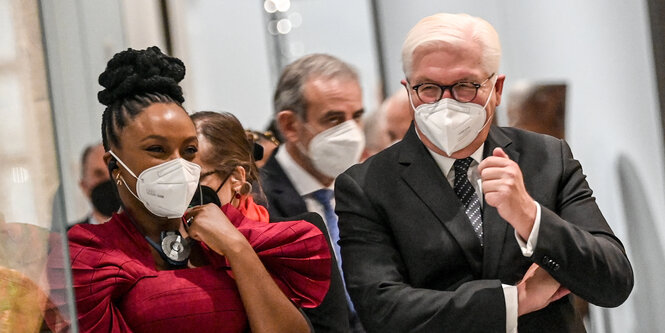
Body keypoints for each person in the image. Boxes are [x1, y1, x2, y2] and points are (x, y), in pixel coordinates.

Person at [334, 13, 633, 333]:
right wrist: (510, 302)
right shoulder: (366, 185)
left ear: (497, 88)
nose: (445, 103)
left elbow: (613, 281)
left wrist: (531, 218)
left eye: (465, 86)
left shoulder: (547, 156)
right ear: (409, 90)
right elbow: (382, 311)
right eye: (429, 88)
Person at [64, 46, 331, 332]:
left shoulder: (235, 234)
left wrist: (237, 248)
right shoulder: (91, 256)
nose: (179, 164)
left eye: (189, 150)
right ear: (114, 165)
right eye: (157, 149)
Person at [261, 53, 366, 332]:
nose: (351, 132)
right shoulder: (258, 203)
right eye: (334, 119)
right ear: (290, 126)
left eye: (356, 116)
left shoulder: (371, 188)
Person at [71, 142, 120, 226]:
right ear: (84, 186)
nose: (109, 178)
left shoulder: (149, 233)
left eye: (114, 170)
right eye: (99, 174)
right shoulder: (66, 237)